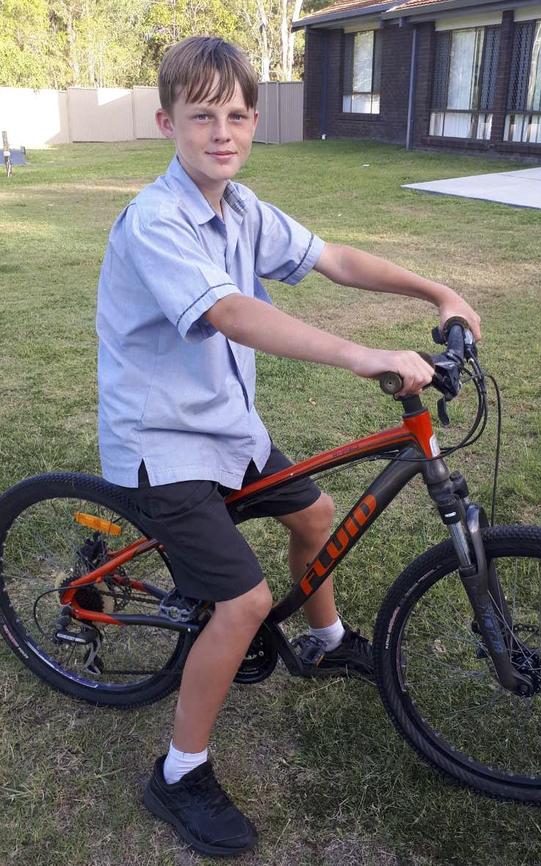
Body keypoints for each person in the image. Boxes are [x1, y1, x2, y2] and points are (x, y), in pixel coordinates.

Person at [96, 35, 481, 859]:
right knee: (239, 603)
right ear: (167, 121)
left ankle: (326, 638)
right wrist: (363, 353)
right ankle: (178, 772)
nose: (223, 131)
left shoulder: (243, 208)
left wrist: (434, 288)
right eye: (202, 116)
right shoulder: (155, 219)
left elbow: (331, 256)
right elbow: (231, 312)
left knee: (319, 514)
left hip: (228, 429)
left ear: (253, 119)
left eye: (237, 114)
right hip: (163, 444)